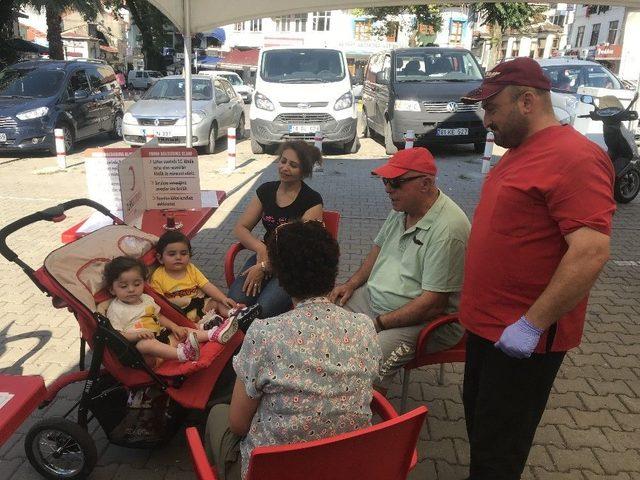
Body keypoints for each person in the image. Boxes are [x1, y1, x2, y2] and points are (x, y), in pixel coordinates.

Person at [459, 57, 615, 479]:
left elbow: (590, 251)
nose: (486, 120)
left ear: (527, 101)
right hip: (486, 329)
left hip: (520, 339)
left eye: (492, 109)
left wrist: (531, 324)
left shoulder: (575, 157)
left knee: (498, 452)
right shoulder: (519, 150)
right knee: (481, 430)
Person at [205, 220, 381, 480]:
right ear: (333, 270)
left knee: (217, 415)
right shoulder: (364, 327)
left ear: (282, 281)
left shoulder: (264, 334)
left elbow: (239, 424)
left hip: (275, 470)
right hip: (344, 464)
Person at [329, 147, 470, 393]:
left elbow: (433, 305)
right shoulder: (403, 209)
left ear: (425, 184)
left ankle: (362, 420)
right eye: (385, 181)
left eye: (395, 182)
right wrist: (350, 285)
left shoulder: (448, 229)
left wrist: (379, 324)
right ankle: (327, 392)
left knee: (366, 361)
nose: (387, 189)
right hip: (375, 300)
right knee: (321, 323)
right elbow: (376, 253)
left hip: (426, 322)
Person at [229, 140, 323, 318]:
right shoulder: (266, 191)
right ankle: (235, 340)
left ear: (304, 171)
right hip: (265, 255)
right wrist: (261, 248)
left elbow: (301, 250)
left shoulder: (312, 201)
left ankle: (254, 341)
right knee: (235, 301)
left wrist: (265, 267)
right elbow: (241, 228)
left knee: (263, 310)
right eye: (283, 161)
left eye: (293, 165)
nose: (285, 168)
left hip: (292, 265)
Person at [104, 256, 237, 365]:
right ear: (111, 289)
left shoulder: (146, 298)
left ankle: (213, 334)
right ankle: (183, 354)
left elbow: (159, 316)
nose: (131, 289)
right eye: (123, 286)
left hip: (163, 337)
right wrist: (137, 336)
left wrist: (174, 327)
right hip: (146, 353)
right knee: (144, 345)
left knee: (183, 330)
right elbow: (117, 334)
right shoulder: (115, 309)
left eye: (137, 284)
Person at [150, 231, 260, 331]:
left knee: (217, 302)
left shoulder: (190, 268)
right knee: (185, 324)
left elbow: (206, 285)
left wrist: (223, 298)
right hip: (181, 312)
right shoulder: (158, 277)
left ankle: (235, 314)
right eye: (172, 254)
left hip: (200, 303)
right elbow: (161, 304)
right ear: (160, 258)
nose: (178, 257)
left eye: (183, 253)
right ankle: (207, 326)